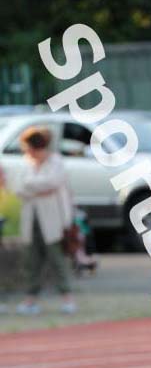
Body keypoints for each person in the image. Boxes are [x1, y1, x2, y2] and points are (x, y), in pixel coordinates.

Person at [15, 126, 76, 315]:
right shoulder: (26, 163)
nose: (27, 152)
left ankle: (67, 298)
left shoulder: (56, 162)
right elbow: (19, 187)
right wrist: (41, 189)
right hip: (32, 219)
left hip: (54, 220)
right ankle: (30, 299)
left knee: (57, 258)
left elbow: (54, 182)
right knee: (31, 260)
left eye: (29, 148)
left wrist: (32, 187)